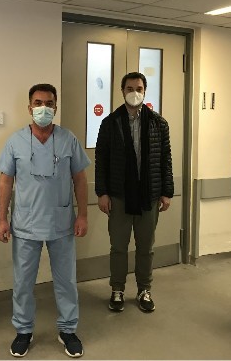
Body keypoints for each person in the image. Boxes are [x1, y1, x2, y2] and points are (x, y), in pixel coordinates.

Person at [0, 83, 90, 358]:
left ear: (55, 107)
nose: (43, 108)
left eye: (49, 103)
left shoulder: (68, 139)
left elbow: (80, 180)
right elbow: (5, 182)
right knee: (23, 283)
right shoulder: (15, 141)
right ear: (29, 108)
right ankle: (23, 331)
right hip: (25, 223)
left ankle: (68, 330)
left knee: (66, 281)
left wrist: (83, 215)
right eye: (38, 103)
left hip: (61, 222)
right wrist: (2, 219)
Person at [95, 72, 173, 313]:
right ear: (122, 91)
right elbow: (101, 160)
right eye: (129, 88)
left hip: (149, 196)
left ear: (145, 91)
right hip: (119, 196)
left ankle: (144, 289)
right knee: (118, 247)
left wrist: (167, 192)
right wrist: (102, 192)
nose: (134, 92)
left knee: (146, 247)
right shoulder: (110, 123)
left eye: (139, 88)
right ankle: (117, 289)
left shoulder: (158, 123)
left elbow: (165, 159)